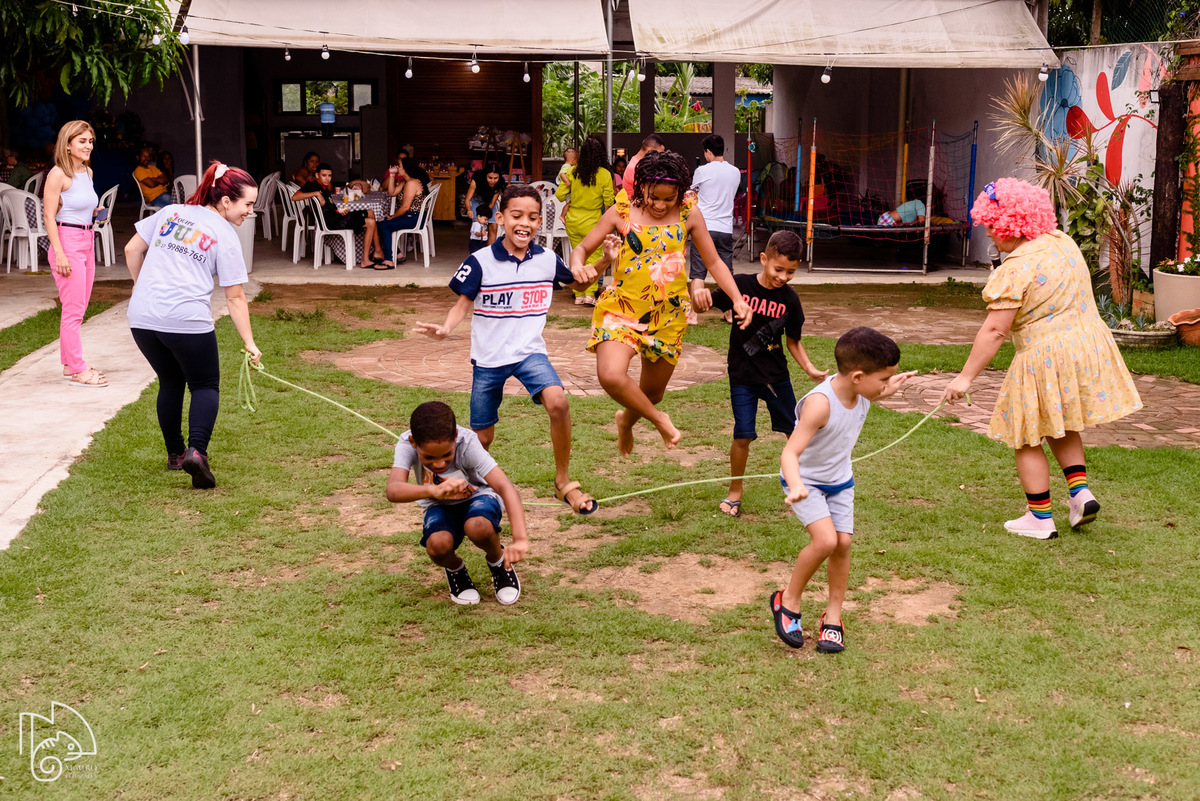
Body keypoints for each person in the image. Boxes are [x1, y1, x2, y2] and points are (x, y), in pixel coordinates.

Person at [940, 178, 1143, 539]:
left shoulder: (1015, 268)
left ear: (1011, 223)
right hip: (1083, 347)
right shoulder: (1062, 242)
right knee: (1059, 422)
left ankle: (1039, 517)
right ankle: (1080, 494)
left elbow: (995, 330)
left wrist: (964, 377)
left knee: (1026, 435)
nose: (990, 234)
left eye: (992, 226)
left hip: (1043, 356)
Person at [414, 185, 599, 515]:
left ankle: (563, 482)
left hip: (529, 353)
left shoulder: (547, 259)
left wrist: (607, 259)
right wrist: (445, 328)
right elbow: (462, 304)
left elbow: (578, 282)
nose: (524, 223)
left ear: (539, 222)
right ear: (500, 219)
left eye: (532, 217)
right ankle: (463, 486)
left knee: (558, 402)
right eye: (516, 215)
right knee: (482, 438)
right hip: (489, 359)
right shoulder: (480, 261)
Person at [570, 150, 753, 456]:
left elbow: (714, 262)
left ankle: (626, 421)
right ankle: (659, 420)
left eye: (669, 198)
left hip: (668, 315)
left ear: (680, 192)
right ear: (641, 186)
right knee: (611, 375)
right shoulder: (621, 210)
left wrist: (737, 299)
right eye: (654, 196)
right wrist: (579, 266)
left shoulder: (688, 213)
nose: (660, 204)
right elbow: (582, 248)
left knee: (652, 394)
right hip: (622, 309)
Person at [772, 327, 916, 653]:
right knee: (825, 540)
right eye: (883, 378)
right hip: (806, 482)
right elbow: (789, 453)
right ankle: (788, 600)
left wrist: (890, 386)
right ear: (858, 376)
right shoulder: (820, 405)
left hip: (840, 481)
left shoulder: (861, 391)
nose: (885, 385)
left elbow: (875, 393)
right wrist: (796, 485)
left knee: (843, 543)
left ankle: (833, 615)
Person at [122, 161, 263, 489]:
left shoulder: (170, 212)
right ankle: (197, 452)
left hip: (142, 318)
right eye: (247, 204)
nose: (250, 212)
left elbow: (131, 249)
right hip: (185, 319)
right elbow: (235, 297)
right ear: (226, 201)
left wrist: (139, 286)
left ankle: (176, 454)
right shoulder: (225, 235)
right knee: (205, 385)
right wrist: (250, 343)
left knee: (170, 380)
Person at [709, 231, 827, 518]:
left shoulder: (790, 300)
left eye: (791, 272)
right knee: (743, 435)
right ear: (764, 259)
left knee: (795, 432)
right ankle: (735, 491)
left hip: (776, 378)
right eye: (778, 269)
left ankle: (808, 485)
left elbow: (793, 342)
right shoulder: (740, 286)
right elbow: (708, 302)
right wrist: (699, 296)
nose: (783, 277)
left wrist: (809, 368)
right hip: (742, 377)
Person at [386, 401, 528, 605]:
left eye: (447, 455)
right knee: (437, 546)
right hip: (439, 504)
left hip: (479, 497)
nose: (439, 464)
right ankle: (456, 570)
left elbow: (505, 487)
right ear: (413, 442)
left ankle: (498, 561)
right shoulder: (406, 444)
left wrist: (520, 539)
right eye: (429, 457)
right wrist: (433, 490)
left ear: (455, 437)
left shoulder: (467, 442)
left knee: (478, 526)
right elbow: (393, 490)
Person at [43, 120, 105, 387]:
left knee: (79, 307)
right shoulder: (58, 174)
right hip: (67, 242)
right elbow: (49, 216)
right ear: (67, 145)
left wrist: (95, 213)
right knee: (73, 310)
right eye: (82, 141)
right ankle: (78, 370)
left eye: (90, 141)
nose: (88, 146)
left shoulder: (87, 173)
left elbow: (78, 205)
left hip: (87, 239)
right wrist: (59, 253)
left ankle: (70, 364)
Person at [555, 136, 614, 305]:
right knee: (594, 257)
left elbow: (559, 195)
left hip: (573, 220)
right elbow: (609, 201)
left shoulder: (572, 172)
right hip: (593, 221)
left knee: (578, 256)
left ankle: (578, 294)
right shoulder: (604, 174)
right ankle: (589, 294)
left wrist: (570, 188)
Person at [291, 162, 385, 269]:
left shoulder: (323, 186)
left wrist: (339, 211)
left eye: (329, 176)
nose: (327, 178)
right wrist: (316, 193)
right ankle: (365, 260)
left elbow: (328, 206)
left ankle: (378, 250)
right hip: (333, 223)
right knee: (371, 222)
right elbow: (294, 197)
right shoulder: (312, 184)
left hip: (337, 217)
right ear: (317, 175)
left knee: (370, 212)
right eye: (324, 175)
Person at [687, 134, 743, 296]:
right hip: (725, 229)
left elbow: (691, 194)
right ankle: (731, 308)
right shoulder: (735, 172)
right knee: (726, 274)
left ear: (708, 152)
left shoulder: (701, 171)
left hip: (703, 228)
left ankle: (694, 309)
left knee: (698, 274)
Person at [376, 156, 432, 269]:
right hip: (411, 216)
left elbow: (405, 207)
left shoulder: (412, 183)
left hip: (415, 218)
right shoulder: (405, 182)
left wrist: (393, 216)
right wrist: (392, 176)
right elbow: (391, 193)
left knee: (384, 225)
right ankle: (398, 254)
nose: (397, 167)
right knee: (380, 223)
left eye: (399, 166)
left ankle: (388, 260)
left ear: (406, 168)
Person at [462, 163, 505, 244]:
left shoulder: (500, 183)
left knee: (493, 226)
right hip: (477, 200)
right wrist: (469, 210)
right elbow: (468, 199)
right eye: (490, 178)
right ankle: (477, 247)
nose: (493, 181)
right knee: (478, 224)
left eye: (495, 178)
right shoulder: (477, 179)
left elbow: (492, 203)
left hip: (490, 202)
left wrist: (486, 214)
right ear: (485, 175)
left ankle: (490, 249)